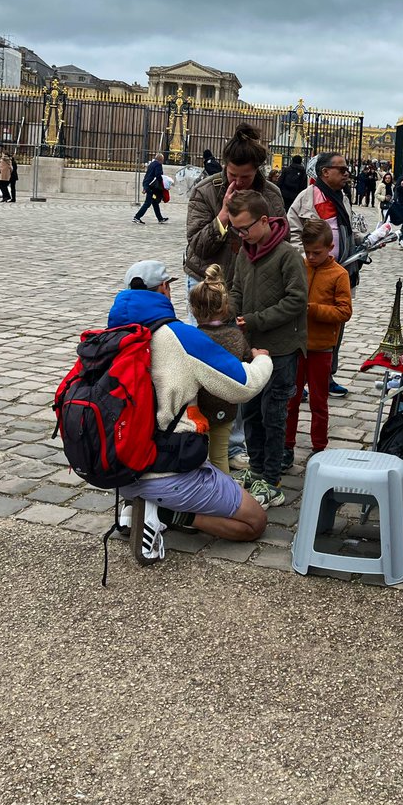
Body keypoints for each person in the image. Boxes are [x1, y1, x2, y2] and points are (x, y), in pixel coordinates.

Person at [111, 259, 273, 566]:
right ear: (164, 289)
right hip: (169, 468)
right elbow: (242, 385)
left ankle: (135, 504)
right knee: (254, 522)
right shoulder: (180, 336)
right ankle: (168, 512)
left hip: (121, 468)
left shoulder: (113, 334)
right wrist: (262, 360)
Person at [185, 123, 286, 468]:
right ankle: (201, 429)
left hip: (248, 288)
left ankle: (234, 441)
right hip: (208, 286)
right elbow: (197, 245)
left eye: (245, 177)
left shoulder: (270, 195)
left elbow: (279, 242)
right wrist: (224, 216)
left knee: (239, 364)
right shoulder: (206, 191)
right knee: (204, 360)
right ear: (225, 166)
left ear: (256, 171)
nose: (238, 182)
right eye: (232, 174)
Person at [227, 189, 308, 508]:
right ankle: (257, 469)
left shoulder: (288, 255)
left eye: (245, 228)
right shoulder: (245, 252)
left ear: (264, 221)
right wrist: (229, 312)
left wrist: (256, 319)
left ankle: (272, 478)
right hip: (251, 349)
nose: (241, 234)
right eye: (237, 229)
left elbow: (297, 300)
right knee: (250, 411)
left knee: (272, 414)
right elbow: (236, 289)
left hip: (281, 349)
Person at [288, 150, 365, 396]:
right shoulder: (307, 197)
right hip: (311, 274)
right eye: (341, 169)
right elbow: (292, 233)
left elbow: (346, 230)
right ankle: (298, 381)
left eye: (347, 169)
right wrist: (308, 259)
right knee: (304, 326)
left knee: (335, 325)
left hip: (342, 271)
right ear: (325, 172)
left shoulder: (342, 198)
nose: (347, 174)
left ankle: (327, 376)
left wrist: (366, 241)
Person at [284, 219, 352, 468]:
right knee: (290, 400)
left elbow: (344, 312)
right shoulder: (299, 267)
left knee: (318, 401)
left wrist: (312, 310)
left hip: (321, 347)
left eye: (317, 252)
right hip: (295, 345)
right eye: (307, 251)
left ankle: (319, 446)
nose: (311, 257)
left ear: (330, 248)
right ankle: (286, 445)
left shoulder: (339, 275)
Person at [188, 264, 252, 475]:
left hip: (200, 409)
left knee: (196, 457)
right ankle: (224, 498)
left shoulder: (193, 338)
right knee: (220, 455)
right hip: (227, 406)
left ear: (194, 310)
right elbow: (246, 360)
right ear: (225, 307)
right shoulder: (235, 336)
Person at [133, 153, 168, 225]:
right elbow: (158, 175)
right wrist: (164, 183)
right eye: (163, 160)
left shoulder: (151, 164)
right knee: (148, 203)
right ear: (160, 160)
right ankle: (137, 217)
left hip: (147, 184)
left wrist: (145, 186)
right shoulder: (158, 165)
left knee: (154, 202)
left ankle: (160, 218)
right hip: (152, 186)